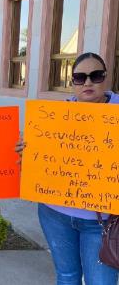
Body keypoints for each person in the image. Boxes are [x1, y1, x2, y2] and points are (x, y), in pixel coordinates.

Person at [16, 52, 119, 285]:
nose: (88, 83)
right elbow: (41, 160)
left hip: (102, 221)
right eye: (80, 78)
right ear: (72, 82)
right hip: (56, 215)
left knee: (100, 282)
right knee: (67, 277)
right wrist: (27, 152)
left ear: (106, 77)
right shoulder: (54, 117)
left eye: (96, 75)